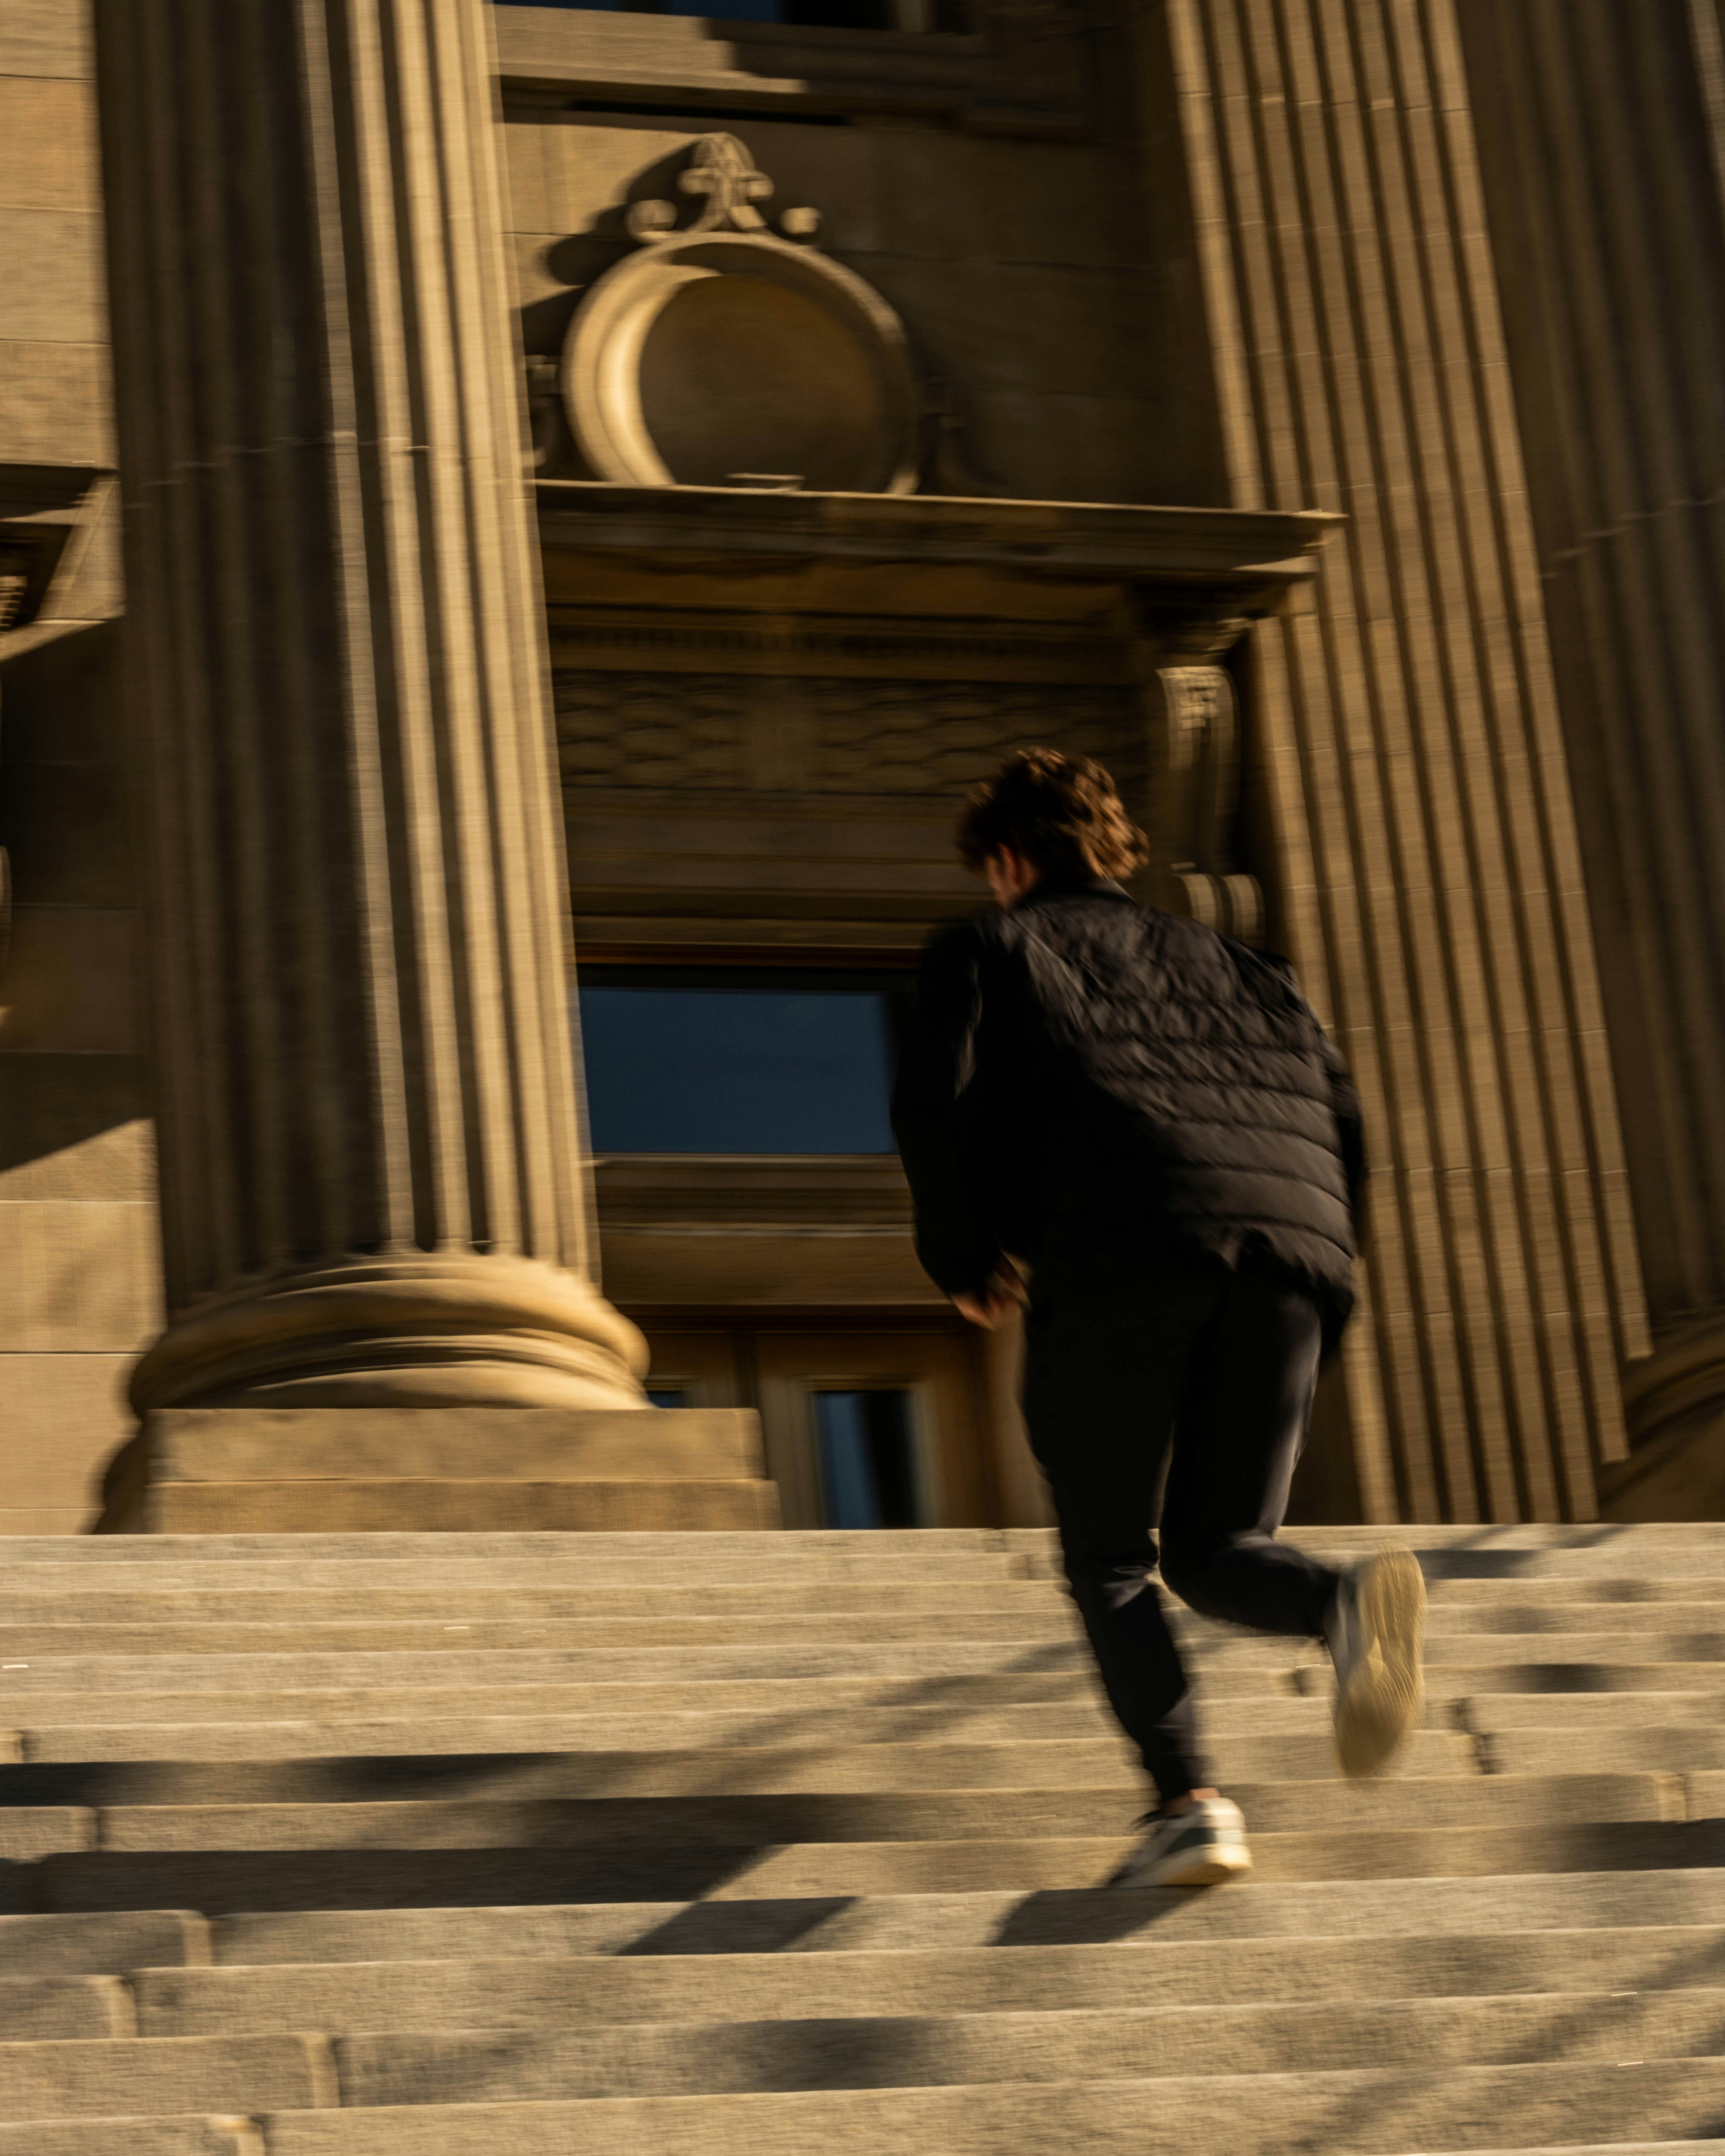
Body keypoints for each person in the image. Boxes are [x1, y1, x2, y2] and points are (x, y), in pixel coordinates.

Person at [890, 747, 1425, 1889]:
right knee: (1223, 1544)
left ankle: (1189, 1802)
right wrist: (1330, 1276)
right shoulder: (1253, 966)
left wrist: (967, 1256)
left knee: (1111, 1555)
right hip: (1293, 1254)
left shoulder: (988, 944)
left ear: (1008, 861)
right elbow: (1347, 1127)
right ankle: (1340, 1602)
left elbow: (933, 1108)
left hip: (1126, 1247)